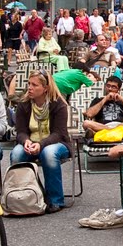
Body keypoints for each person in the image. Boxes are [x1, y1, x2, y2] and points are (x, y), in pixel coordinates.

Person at [11, 71, 73, 213]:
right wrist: (26, 141)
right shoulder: (24, 104)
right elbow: (20, 131)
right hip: (31, 142)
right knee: (16, 154)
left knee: (48, 153)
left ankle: (55, 200)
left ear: (45, 88)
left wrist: (40, 144)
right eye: (29, 84)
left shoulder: (58, 104)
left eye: (34, 85)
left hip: (57, 144)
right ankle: (22, 198)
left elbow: (58, 133)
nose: (30, 88)